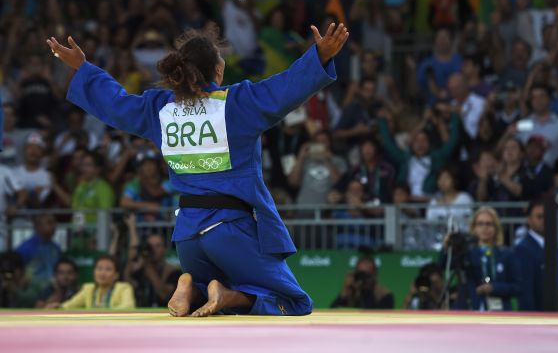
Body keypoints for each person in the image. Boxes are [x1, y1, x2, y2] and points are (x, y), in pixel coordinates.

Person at [47, 21, 348, 317]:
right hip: (232, 231)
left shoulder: (161, 109)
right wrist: (320, 56)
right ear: (217, 70)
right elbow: (285, 87)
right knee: (295, 302)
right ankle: (215, 293)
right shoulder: (237, 104)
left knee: (215, 303)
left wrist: (84, 68)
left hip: (187, 237)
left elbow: (116, 104)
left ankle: (195, 290)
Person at [441, 207, 521, 311]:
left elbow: (518, 287)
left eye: (489, 224)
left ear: (496, 227)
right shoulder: (466, 252)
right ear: (474, 227)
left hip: (499, 311)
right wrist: (446, 247)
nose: (484, 228)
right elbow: (442, 265)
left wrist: (494, 288)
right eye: (480, 224)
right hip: (469, 309)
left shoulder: (507, 254)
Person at [60, 255, 135, 309]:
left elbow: (128, 306)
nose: (102, 273)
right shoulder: (88, 289)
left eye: (108, 269)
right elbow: (70, 305)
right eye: (99, 269)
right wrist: (59, 307)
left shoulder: (124, 288)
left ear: (116, 275)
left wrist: (104, 314)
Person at [15, 213, 62, 287]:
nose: (54, 226)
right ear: (37, 226)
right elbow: (17, 270)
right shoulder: (26, 247)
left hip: (54, 287)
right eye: (49, 223)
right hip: (33, 289)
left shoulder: (56, 248)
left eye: (54, 223)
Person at [515, 200, 544, 312]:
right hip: (537, 314)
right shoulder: (523, 248)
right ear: (529, 220)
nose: (543, 220)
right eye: (539, 217)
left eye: (546, 216)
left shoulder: (555, 245)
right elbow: (526, 290)